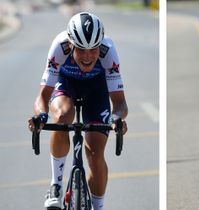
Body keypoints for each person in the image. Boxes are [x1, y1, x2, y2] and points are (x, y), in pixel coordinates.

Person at [28, 12, 128, 210]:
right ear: (71, 44)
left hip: (97, 89)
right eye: (81, 49)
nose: (88, 56)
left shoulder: (108, 51)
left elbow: (120, 102)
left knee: (95, 154)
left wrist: (117, 118)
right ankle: (55, 185)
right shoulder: (60, 46)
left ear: (100, 46)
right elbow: (42, 96)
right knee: (63, 115)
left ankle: (98, 207)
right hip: (67, 85)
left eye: (93, 49)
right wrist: (40, 116)